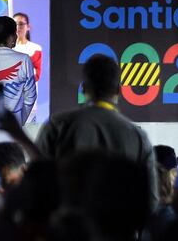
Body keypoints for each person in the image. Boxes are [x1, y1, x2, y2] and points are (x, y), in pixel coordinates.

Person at [35, 54, 158, 207]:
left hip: (67, 228)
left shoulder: (57, 126)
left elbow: (36, 186)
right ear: (118, 90)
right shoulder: (138, 137)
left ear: (84, 88)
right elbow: (150, 202)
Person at [13, 12, 42, 82]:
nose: (17, 27)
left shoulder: (35, 49)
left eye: (21, 24)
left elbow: (36, 75)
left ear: (28, 27)